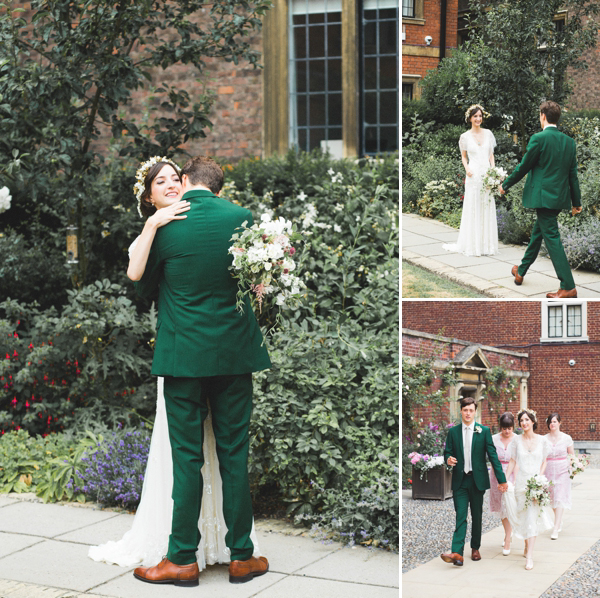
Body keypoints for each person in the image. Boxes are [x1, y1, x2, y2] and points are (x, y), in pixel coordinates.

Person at [89, 157, 262, 573]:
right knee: (234, 455)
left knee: (187, 459)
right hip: (235, 355)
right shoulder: (243, 218)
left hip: (183, 357)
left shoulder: (165, 229)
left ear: (185, 181)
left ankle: (182, 559)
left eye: (173, 179)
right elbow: (257, 280)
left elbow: (144, 286)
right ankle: (242, 556)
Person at [500, 100, 582, 298]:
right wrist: (576, 202)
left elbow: (524, 167)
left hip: (543, 198)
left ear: (543, 116)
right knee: (538, 234)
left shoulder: (538, 138)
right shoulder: (569, 142)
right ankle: (521, 271)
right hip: (558, 198)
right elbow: (573, 175)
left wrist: (505, 184)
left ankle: (568, 285)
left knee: (552, 239)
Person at [440, 397, 507, 567]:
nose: (468, 413)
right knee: (460, 516)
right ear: (460, 411)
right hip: (460, 481)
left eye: (471, 410)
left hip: (477, 481)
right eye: (465, 410)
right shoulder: (453, 432)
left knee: (476, 516)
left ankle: (475, 548)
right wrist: (448, 459)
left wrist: (502, 480)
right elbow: (447, 452)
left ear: (475, 412)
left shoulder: (483, 431)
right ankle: (457, 553)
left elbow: (493, 456)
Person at [442, 104, 498, 257]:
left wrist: (493, 171)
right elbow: (464, 157)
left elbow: (491, 155)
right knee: (473, 206)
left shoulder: (488, 134)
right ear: (470, 118)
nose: (478, 119)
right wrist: (467, 169)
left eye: (480, 116)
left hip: (487, 174)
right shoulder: (465, 137)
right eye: (475, 116)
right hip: (473, 175)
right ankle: (473, 245)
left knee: (486, 205)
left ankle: (487, 245)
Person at [503, 409, 554, 570]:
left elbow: (544, 461)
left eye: (526, 420)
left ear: (533, 421)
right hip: (520, 484)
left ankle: (530, 556)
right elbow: (512, 461)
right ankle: (526, 544)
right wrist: (504, 479)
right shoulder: (516, 441)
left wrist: (540, 478)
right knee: (523, 517)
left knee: (532, 517)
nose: (524, 423)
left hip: (535, 484)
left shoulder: (543, 441)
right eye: (521, 421)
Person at [489, 412, 517, 556]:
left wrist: (515, 480)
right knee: (502, 507)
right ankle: (508, 532)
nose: (507, 431)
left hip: (512, 474)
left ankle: (507, 538)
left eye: (509, 428)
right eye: (504, 428)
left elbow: (518, 460)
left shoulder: (518, 440)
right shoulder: (493, 439)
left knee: (510, 505)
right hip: (496, 475)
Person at [544, 412, 574, 540]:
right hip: (548, 470)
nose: (552, 424)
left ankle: (555, 528)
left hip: (562, 470)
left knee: (560, 497)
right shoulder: (544, 439)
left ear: (559, 423)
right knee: (552, 498)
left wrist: (573, 467)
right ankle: (558, 520)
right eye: (550, 422)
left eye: (555, 421)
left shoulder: (567, 438)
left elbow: (571, 455)